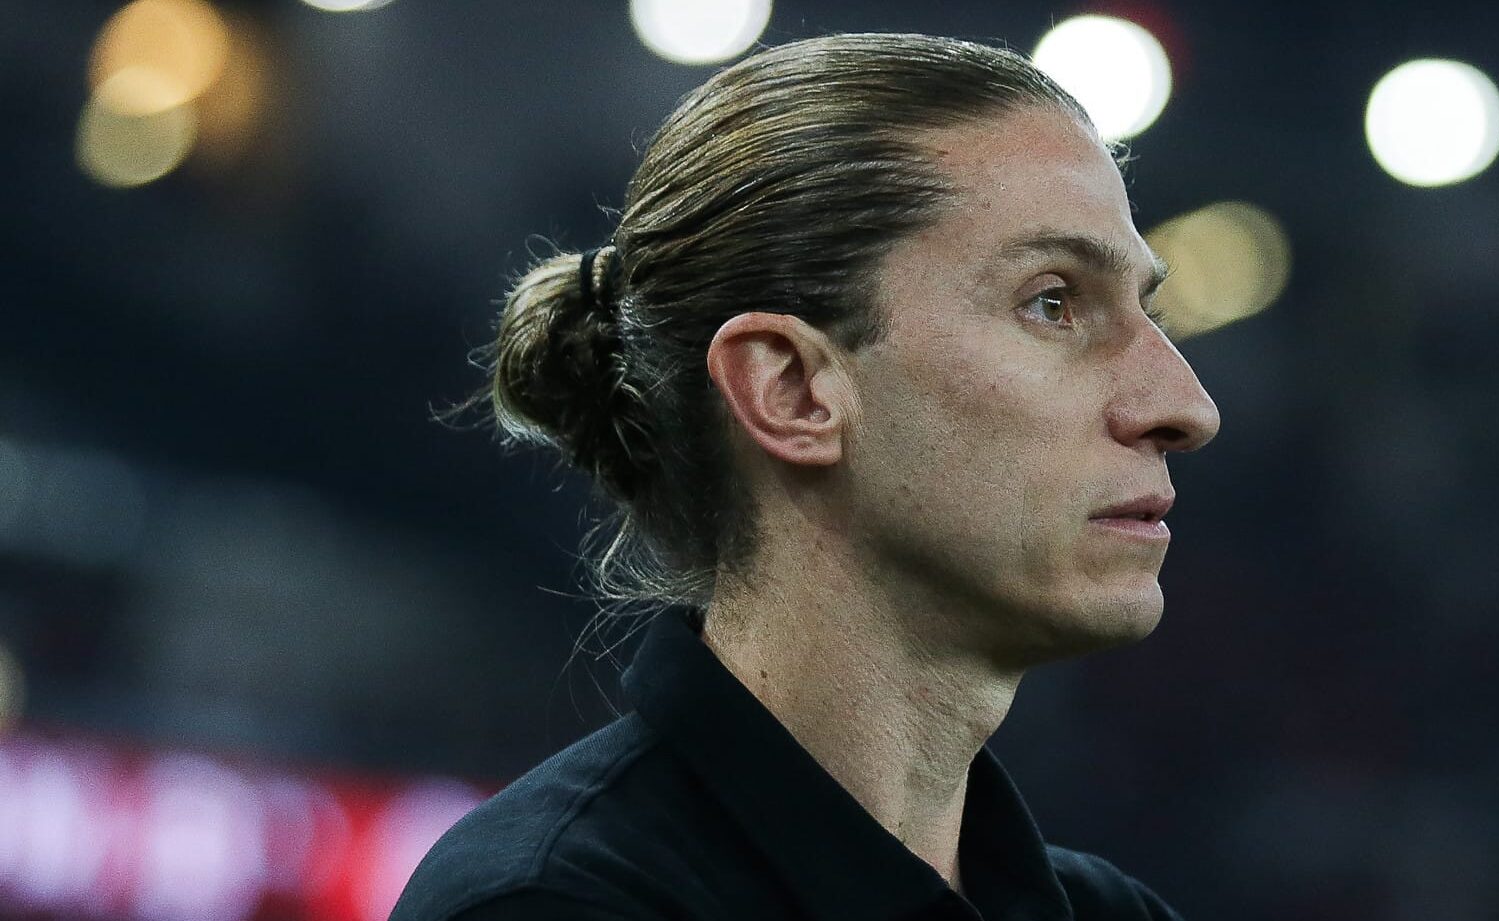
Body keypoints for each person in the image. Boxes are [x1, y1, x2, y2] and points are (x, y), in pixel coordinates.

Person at [393, 30, 1219, 921]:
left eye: (1149, 308)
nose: (1187, 406)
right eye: (1052, 302)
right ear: (788, 389)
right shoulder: (552, 904)